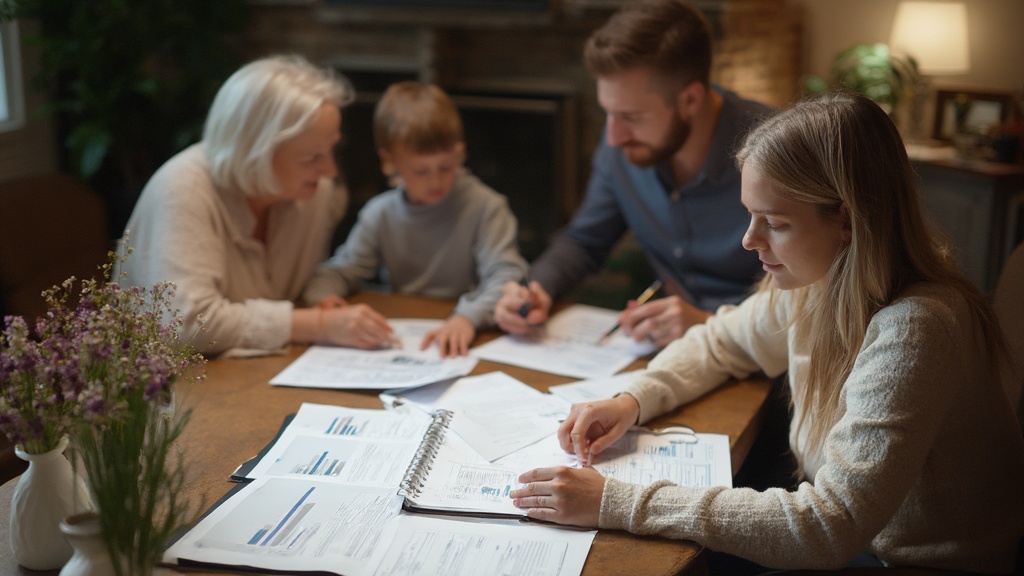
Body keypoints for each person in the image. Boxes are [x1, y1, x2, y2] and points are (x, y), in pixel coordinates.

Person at [510, 92, 1024, 573]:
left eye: (774, 222)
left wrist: (613, 501)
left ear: (847, 221)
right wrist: (631, 400)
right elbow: (721, 341)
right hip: (861, 543)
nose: (749, 240)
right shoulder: (816, 280)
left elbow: (828, 525)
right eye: (749, 215)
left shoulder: (916, 328)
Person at [494, 0, 773, 347]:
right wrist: (537, 288)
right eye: (608, 113)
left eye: (631, 117)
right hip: (670, 355)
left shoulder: (778, 152)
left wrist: (709, 323)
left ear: (690, 100)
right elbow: (585, 241)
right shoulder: (623, 146)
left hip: (765, 364)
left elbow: (814, 300)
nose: (613, 136)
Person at [120, 55, 395, 356]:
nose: (330, 171)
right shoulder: (181, 190)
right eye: (312, 158)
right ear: (255, 154)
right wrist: (318, 324)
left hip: (256, 374)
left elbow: (298, 290)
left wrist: (320, 296)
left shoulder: (315, 191)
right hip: (165, 385)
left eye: (331, 150)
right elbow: (185, 324)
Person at [301, 81, 528, 357]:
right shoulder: (380, 213)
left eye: (446, 167)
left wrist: (468, 317)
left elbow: (507, 278)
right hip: (405, 336)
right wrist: (326, 302)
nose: (436, 180)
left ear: (459, 152)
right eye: (421, 171)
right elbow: (339, 270)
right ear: (390, 162)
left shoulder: (486, 207)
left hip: (467, 335)